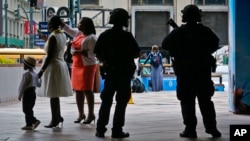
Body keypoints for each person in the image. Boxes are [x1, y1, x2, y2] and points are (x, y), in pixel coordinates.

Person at [162, 5, 221, 138]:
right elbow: (215, 43)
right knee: (206, 101)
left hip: (185, 72)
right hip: (202, 72)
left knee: (187, 102)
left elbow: (165, 44)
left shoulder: (178, 32)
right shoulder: (205, 31)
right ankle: (212, 128)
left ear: (184, 17)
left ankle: (190, 129)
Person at [94, 8, 141, 138]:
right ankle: (117, 130)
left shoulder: (105, 35)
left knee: (106, 101)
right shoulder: (127, 36)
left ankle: (100, 129)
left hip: (111, 72)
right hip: (124, 74)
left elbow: (97, 53)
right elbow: (137, 53)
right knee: (121, 103)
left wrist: (107, 60)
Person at [61, 17, 97, 124]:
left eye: (80, 23)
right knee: (78, 90)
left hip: (87, 66)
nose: (78, 25)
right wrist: (61, 23)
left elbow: (93, 54)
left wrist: (79, 52)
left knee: (87, 90)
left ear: (86, 25)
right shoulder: (78, 34)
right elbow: (68, 29)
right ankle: (81, 114)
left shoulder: (92, 38)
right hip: (76, 65)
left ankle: (91, 114)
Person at [38, 15, 72, 128]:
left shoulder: (53, 37)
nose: (47, 25)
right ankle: (58, 116)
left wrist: (42, 70)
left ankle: (54, 119)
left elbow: (50, 56)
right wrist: (44, 38)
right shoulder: (61, 34)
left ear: (52, 24)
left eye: (48, 23)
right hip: (60, 64)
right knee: (55, 93)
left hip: (53, 66)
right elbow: (56, 46)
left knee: (53, 94)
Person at [18, 56, 42, 130]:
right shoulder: (35, 74)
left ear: (26, 65)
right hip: (33, 93)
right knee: (29, 109)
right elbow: (39, 85)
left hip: (27, 93)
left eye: (24, 64)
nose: (23, 65)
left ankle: (34, 121)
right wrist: (40, 78)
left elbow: (22, 85)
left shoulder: (26, 74)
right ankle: (29, 124)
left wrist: (20, 94)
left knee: (26, 109)